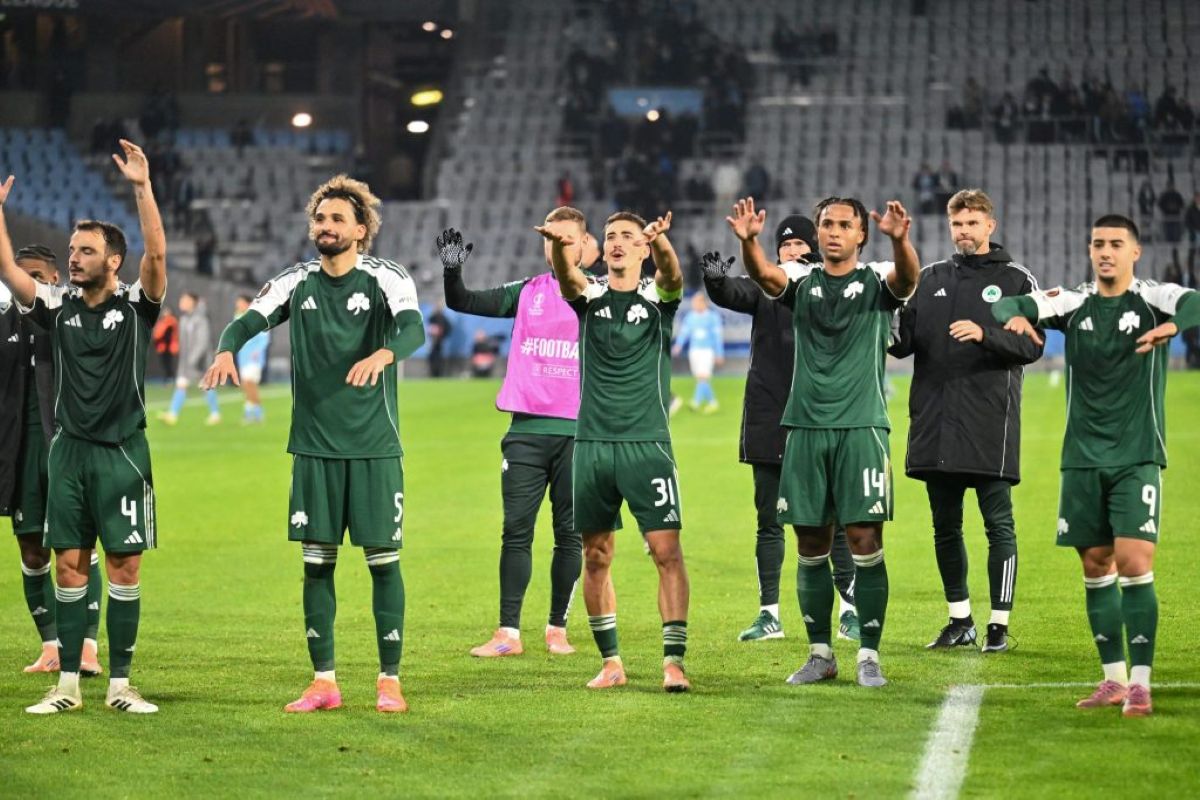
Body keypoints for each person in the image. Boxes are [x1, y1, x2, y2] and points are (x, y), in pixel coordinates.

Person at [203, 174, 424, 714]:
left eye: (337, 219)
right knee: (317, 565)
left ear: (361, 229)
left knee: (383, 563)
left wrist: (384, 354)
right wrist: (227, 349)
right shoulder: (295, 282)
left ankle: (389, 680)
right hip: (314, 449)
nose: (325, 226)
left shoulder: (386, 277)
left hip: (373, 447)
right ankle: (324, 682)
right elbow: (247, 322)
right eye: (319, 218)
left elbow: (413, 330)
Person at [993, 214, 1199, 717]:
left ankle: (1142, 683)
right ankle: (1113, 679)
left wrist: (1174, 326)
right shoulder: (1074, 302)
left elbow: (1195, 302)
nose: (1106, 252)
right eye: (1098, 244)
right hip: (1082, 458)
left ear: (1135, 252)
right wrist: (1018, 318)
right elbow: (1011, 303)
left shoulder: (1153, 299)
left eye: (1115, 244)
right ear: (1090, 250)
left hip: (1136, 454)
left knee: (1135, 563)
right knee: (1094, 565)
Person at [0, 139, 167, 714]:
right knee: (69, 566)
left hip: (123, 454)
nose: (74, 258)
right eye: (72, 250)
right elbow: (10, 272)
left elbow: (157, 255)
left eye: (86, 251)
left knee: (124, 566)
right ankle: (67, 686)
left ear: (113, 260)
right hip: (68, 453)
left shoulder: (137, 307)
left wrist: (143, 189)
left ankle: (121, 685)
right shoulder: (57, 305)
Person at [727, 196, 919, 688]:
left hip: (861, 427)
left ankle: (869, 655)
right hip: (805, 428)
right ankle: (820, 655)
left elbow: (907, 279)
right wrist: (749, 242)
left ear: (861, 234)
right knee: (810, 542)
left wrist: (901, 241)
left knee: (864, 540)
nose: (834, 232)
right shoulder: (802, 281)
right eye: (827, 224)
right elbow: (765, 277)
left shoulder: (877, 280)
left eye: (844, 225)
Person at [536, 210, 692, 692]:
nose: (619, 242)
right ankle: (611, 663)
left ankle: (673, 662)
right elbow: (568, 277)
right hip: (593, 445)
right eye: (610, 236)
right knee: (596, 554)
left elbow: (673, 276)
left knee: (666, 551)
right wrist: (560, 245)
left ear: (642, 248)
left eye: (628, 235)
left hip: (648, 444)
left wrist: (661, 242)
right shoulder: (590, 296)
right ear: (602, 249)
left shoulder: (658, 300)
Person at [889, 189, 1042, 653]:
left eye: (972, 223)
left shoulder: (1016, 280)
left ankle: (999, 624)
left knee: (998, 525)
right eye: (957, 224)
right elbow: (902, 342)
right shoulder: (930, 277)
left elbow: (1033, 345)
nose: (964, 232)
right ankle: (960, 620)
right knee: (945, 527)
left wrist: (985, 334)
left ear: (990, 226)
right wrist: (876, 322)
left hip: (989, 423)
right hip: (936, 422)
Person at [702, 215, 860, 643]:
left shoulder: (829, 284)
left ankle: (849, 610)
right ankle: (769, 614)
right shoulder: (764, 284)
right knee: (768, 520)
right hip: (769, 415)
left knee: (835, 518)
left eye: (799, 244)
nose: (791, 250)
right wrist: (716, 281)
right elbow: (734, 291)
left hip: (822, 417)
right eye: (784, 245)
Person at [439, 211, 588, 659]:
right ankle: (508, 632)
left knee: (569, 535)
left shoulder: (598, 295)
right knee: (516, 532)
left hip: (579, 432)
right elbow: (462, 301)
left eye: (567, 238)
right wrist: (452, 271)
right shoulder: (526, 293)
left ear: (584, 245)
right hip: (525, 431)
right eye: (551, 237)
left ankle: (557, 628)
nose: (557, 244)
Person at [0, 244, 104, 676]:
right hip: (18, 452)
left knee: (79, 547)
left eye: (38, 277)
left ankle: (87, 647)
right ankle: (50, 646)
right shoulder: (3, 321)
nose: (28, 285)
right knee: (31, 549)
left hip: (65, 445)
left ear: (55, 279)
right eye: (21, 277)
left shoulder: (68, 316)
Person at [159, 291, 220, 425]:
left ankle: (215, 414)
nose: (182, 303)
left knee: (206, 386)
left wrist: (193, 360)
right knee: (182, 384)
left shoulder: (201, 319)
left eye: (185, 300)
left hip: (200, 362)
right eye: (182, 300)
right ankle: (172, 414)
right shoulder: (184, 319)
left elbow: (202, 342)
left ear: (193, 302)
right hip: (186, 363)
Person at [672, 291, 724, 413]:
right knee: (700, 378)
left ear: (704, 303)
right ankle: (713, 403)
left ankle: (696, 402)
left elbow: (717, 337)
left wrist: (719, 353)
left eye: (697, 302)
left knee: (703, 376)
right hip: (694, 350)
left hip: (707, 351)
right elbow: (684, 333)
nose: (695, 304)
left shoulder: (713, 317)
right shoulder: (690, 317)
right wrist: (678, 345)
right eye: (694, 302)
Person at [233, 294, 269, 424]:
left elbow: (265, 337)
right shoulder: (237, 318)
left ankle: (254, 413)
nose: (238, 305)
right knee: (246, 385)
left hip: (255, 358)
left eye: (240, 302)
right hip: (243, 357)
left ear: (248, 304)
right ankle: (254, 412)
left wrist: (257, 351)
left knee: (249, 383)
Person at [151, 303, 178, 383]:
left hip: (168, 347)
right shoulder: (162, 321)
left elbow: (168, 334)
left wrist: (160, 339)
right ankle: (168, 378)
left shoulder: (171, 321)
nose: (165, 313)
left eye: (167, 311)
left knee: (168, 363)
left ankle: (170, 378)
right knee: (164, 364)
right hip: (162, 346)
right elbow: (157, 333)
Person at [426, 302, 452, 377]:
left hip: (440, 342)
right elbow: (429, 328)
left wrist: (442, 333)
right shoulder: (432, 318)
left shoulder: (444, 319)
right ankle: (432, 373)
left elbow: (448, 328)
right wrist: (432, 332)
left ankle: (439, 374)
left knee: (439, 358)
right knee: (432, 357)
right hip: (432, 341)